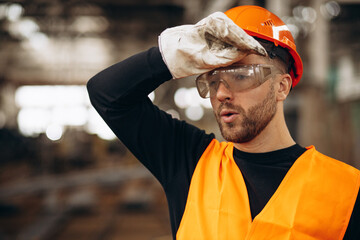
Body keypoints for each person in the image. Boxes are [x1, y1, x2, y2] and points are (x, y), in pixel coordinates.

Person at [87, 5, 360, 240]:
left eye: (241, 75)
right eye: (214, 79)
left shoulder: (347, 190)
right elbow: (108, 93)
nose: (221, 93)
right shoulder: (190, 163)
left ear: (282, 87)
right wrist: (178, 52)